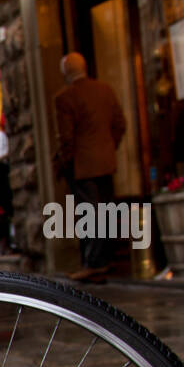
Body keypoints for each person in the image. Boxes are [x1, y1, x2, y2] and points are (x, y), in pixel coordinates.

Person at [53, 52, 127, 281]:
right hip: (104, 160)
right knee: (104, 210)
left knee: (89, 213)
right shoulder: (105, 90)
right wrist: (107, 147)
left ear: (66, 72)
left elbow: (67, 137)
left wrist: (65, 162)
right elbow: (120, 124)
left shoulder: (66, 97)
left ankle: (94, 262)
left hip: (82, 164)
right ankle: (104, 258)